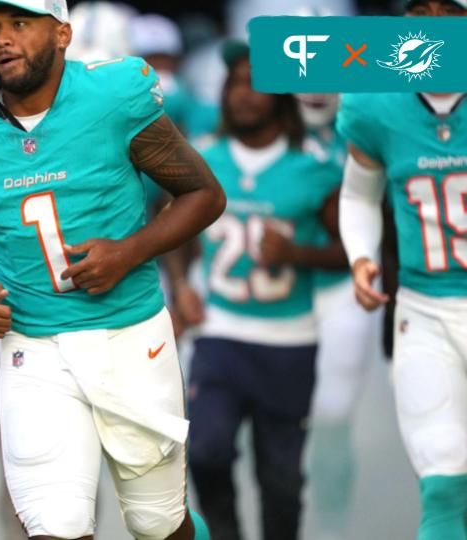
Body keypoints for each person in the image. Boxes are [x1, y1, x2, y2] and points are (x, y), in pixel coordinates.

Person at [0, 1, 225, 538]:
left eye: (20, 23)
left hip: (130, 332)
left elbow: (203, 194)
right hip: (33, 344)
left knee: (157, 524)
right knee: (55, 525)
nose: (2, 39)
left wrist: (128, 251)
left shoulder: (114, 97)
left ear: (62, 33)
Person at [174, 42, 345, 540]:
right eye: (234, 83)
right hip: (218, 332)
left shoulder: (315, 164)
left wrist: (296, 255)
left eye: (256, 83)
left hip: (289, 340)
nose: (242, 95)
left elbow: (351, 249)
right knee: (204, 451)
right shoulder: (200, 156)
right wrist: (182, 285)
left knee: (283, 483)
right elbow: (171, 226)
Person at [338, 2, 467, 539]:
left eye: (448, 10)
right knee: (441, 481)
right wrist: (363, 256)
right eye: (420, 9)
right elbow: (359, 195)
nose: (433, 21)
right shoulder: (376, 103)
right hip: (424, 308)